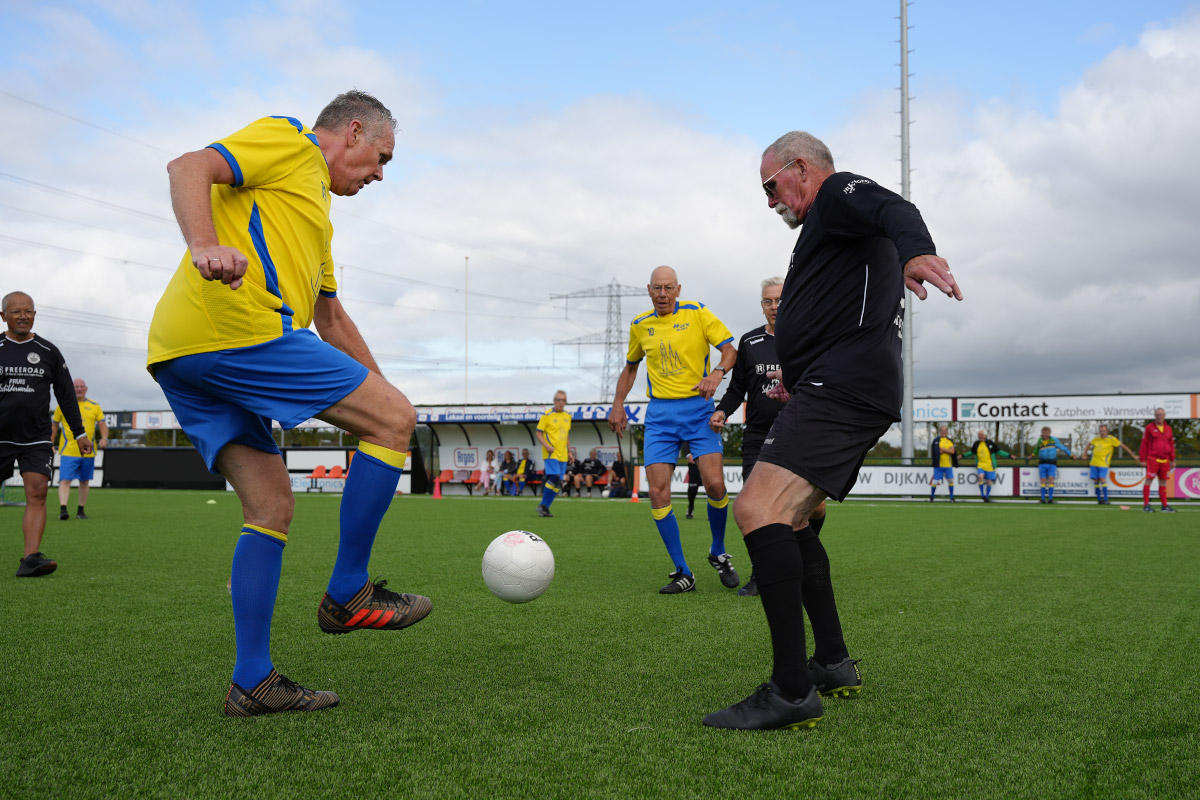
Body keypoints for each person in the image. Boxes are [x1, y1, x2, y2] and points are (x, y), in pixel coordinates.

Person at [147, 91, 431, 717]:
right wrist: (203, 245)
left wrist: (386, 398)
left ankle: (252, 681)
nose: (380, 175)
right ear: (352, 132)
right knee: (390, 419)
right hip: (235, 329)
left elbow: (331, 319)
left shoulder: (317, 216)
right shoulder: (292, 141)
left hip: (181, 350)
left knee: (271, 503)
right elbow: (187, 166)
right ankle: (349, 592)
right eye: (381, 158)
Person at [703, 131, 961, 731]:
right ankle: (832, 662)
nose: (770, 201)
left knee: (757, 509)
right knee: (795, 521)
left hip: (843, 385)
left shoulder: (838, 192)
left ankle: (792, 691)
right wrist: (797, 373)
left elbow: (894, 207)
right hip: (837, 384)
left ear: (800, 167)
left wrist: (916, 252)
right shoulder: (830, 227)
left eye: (770, 187)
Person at [608, 265, 739, 594]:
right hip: (660, 415)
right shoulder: (640, 324)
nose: (663, 294)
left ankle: (718, 550)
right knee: (657, 493)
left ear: (678, 289)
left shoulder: (697, 312)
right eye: (657, 288)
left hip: (698, 410)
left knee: (715, 484)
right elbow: (630, 368)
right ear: (649, 290)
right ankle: (683, 572)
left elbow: (730, 350)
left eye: (668, 288)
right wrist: (617, 403)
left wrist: (717, 374)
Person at [711, 275, 827, 596]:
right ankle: (762, 573)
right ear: (761, 305)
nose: (775, 306)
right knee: (756, 506)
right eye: (768, 301)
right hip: (758, 435)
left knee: (814, 508)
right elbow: (737, 389)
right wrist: (722, 411)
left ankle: (803, 558)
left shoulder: (808, 337)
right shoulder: (749, 342)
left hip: (800, 431)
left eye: (780, 300)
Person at [1, 291, 94, 578]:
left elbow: (66, 396)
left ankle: (30, 558)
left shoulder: (48, 351)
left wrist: (79, 433)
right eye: (16, 311)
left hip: (36, 437)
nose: (23, 316)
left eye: (28, 311)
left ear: (34, 315)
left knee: (38, 491)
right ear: (3, 316)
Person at [52, 378, 108, 520]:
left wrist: (104, 438)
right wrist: (50, 442)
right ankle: (63, 509)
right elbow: (54, 424)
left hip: (88, 452)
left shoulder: (94, 406)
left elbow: (102, 423)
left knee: (84, 481)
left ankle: (80, 511)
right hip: (68, 451)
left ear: (86, 389)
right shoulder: (63, 405)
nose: (78, 389)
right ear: (72, 388)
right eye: (76, 386)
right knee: (65, 480)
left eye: (81, 386)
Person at [535, 390, 571, 517]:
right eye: (559, 400)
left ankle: (545, 507)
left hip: (563, 454)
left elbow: (566, 435)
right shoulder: (547, 415)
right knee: (554, 477)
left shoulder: (568, 416)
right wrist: (547, 446)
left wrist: (570, 451)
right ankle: (542, 505)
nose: (561, 402)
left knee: (558, 482)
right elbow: (538, 433)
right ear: (554, 401)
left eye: (563, 400)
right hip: (551, 453)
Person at [1083, 425, 1135, 505]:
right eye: (1101, 431)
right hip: (1093, 463)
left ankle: (1106, 499)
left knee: (1102, 478)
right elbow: (1089, 444)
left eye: (1104, 431)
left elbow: (1123, 446)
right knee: (1096, 480)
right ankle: (1099, 499)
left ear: (1107, 431)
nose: (1102, 433)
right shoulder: (1096, 438)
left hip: (1103, 464)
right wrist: (1084, 454)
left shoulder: (1111, 439)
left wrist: (1133, 455)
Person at [1139, 408, 1176, 512]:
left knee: (1163, 482)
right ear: (1155, 416)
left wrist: (1172, 459)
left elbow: (1171, 444)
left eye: (1160, 414)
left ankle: (1164, 506)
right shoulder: (1149, 428)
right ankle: (1146, 505)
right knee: (1149, 480)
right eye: (1157, 415)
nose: (1159, 416)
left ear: (1164, 415)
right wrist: (1142, 459)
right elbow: (1144, 443)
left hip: (1165, 460)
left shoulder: (1168, 429)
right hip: (1152, 459)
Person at [962, 430, 1010, 502]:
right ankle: (982, 494)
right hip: (980, 465)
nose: (980, 436)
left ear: (985, 435)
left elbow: (999, 452)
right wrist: (962, 455)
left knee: (989, 482)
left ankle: (987, 497)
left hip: (990, 466)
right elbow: (971, 452)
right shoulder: (976, 444)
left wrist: (1009, 455)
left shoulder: (990, 443)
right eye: (979, 435)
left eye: (981, 435)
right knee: (980, 476)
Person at [1027, 427, 1072, 504]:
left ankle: (1050, 499)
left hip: (1052, 463)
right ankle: (1043, 499)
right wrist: (1032, 455)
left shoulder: (1054, 440)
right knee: (1043, 481)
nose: (1045, 435)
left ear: (1049, 433)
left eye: (1046, 433)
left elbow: (1063, 448)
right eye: (1043, 433)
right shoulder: (1040, 440)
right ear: (1041, 433)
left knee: (1051, 480)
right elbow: (1036, 450)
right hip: (1042, 464)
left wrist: (1071, 455)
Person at [928, 425, 959, 502]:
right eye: (941, 431)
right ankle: (932, 496)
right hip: (938, 465)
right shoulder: (936, 440)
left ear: (947, 431)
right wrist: (947, 450)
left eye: (945, 431)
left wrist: (943, 449)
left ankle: (951, 497)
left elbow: (952, 451)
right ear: (939, 431)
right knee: (935, 481)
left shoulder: (950, 441)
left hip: (948, 465)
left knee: (950, 480)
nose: (943, 432)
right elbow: (936, 452)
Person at [684, 451, 701, 519]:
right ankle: (690, 509)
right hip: (694, 467)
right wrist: (688, 455)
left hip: (707, 466)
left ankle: (713, 512)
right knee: (692, 492)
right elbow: (685, 444)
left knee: (711, 490)